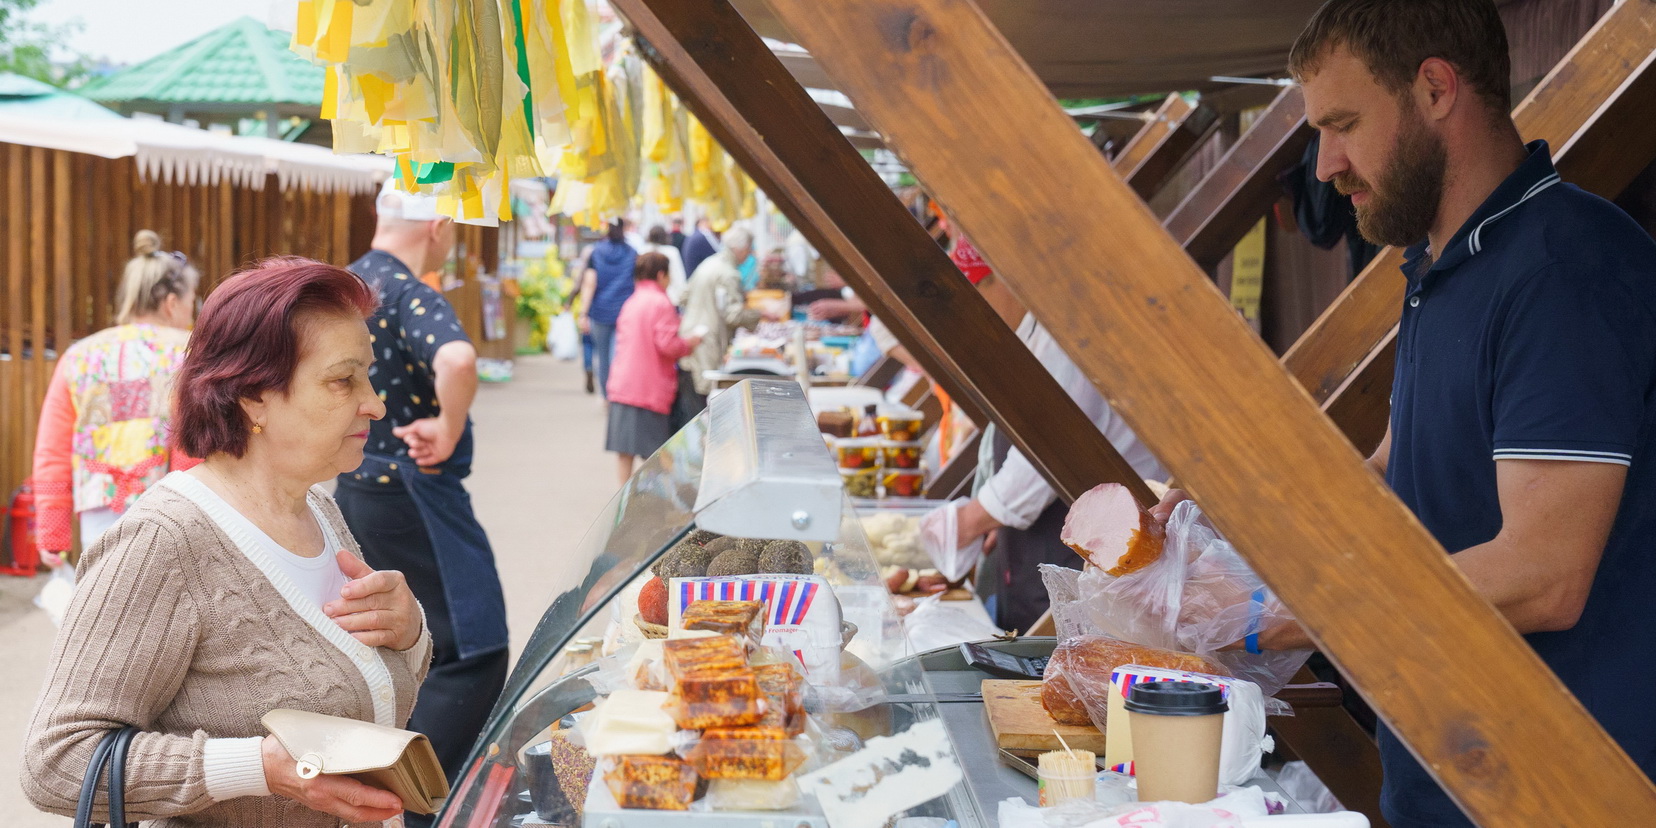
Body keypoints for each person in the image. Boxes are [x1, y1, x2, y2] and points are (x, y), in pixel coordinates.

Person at [1159, 3, 1656, 824]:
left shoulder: (1563, 268)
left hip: (1565, 797)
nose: (1324, 166)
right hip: (1449, 781)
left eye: (1343, 124)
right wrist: (1237, 524)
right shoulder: (1444, 262)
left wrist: (1280, 617)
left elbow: (1545, 575)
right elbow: (1399, 469)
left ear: (1434, 89)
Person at [23, 258, 430, 826]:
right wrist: (260, 767)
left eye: (367, 375)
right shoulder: (160, 543)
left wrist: (408, 631)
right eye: (344, 380)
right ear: (253, 395)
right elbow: (55, 762)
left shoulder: (316, 507)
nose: (375, 404)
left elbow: (346, 683)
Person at [335, 180, 509, 825]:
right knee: (471, 648)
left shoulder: (341, 288)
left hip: (353, 490)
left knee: (400, 643)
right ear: (438, 223)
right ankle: (424, 806)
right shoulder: (406, 291)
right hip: (412, 489)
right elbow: (459, 360)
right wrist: (449, 426)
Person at [922, 238, 1167, 632]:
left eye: (977, 296)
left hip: (1088, 547)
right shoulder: (1034, 335)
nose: (976, 316)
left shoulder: (1066, 338)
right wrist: (987, 521)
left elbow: (1038, 461)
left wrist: (967, 522)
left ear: (999, 280)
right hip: (1037, 549)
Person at [31, 230, 199, 569]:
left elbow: (53, 447)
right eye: (192, 301)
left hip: (99, 512)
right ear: (171, 303)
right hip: (176, 509)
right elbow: (194, 438)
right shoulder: (189, 352)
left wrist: (53, 529)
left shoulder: (79, 357)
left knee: (106, 603)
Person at [605, 252, 704, 484]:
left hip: (624, 382)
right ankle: (651, 500)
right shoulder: (661, 302)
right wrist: (690, 343)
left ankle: (622, 497)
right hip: (649, 385)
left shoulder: (632, 300)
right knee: (655, 452)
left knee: (625, 449)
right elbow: (667, 345)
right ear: (661, 275)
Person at [677, 226, 761, 417]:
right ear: (740, 249)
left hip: (690, 337)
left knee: (691, 406)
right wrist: (759, 314)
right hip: (709, 343)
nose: (749, 256)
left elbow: (683, 296)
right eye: (748, 250)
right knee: (704, 410)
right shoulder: (729, 274)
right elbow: (732, 315)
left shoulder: (709, 263)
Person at [578, 220, 639, 401]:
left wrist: (583, 313)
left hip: (600, 312)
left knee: (603, 357)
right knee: (619, 356)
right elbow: (637, 282)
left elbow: (589, 283)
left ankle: (607, 396)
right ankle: (618, 394)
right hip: (625, 312)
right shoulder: (632, 253)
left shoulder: (596, 252)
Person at [643, 224, 689, 305]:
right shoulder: (672, 252)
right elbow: (679, 276)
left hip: (647, 299)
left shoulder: (643, 252)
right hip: (670, 298)